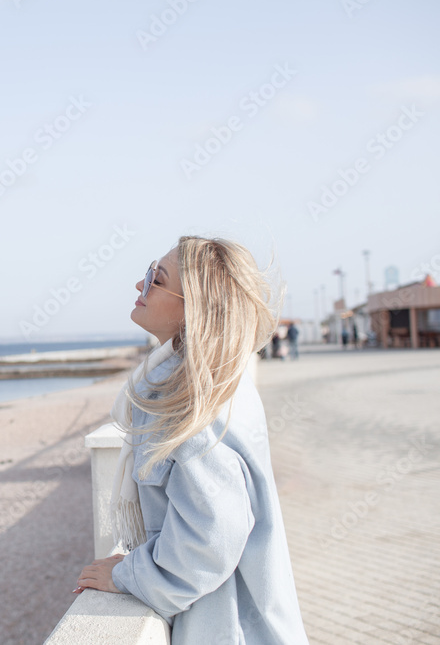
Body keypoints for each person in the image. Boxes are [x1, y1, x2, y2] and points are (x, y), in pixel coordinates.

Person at [74, 236, 309, 644]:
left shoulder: (188, 399)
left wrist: (128, 574)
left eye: (154, 278)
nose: (139, 286)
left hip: (230, 627)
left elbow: (212, 535)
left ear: (193, 307)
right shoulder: (213, 379)